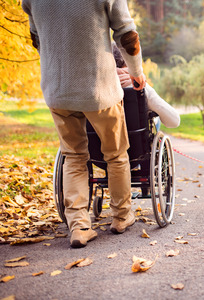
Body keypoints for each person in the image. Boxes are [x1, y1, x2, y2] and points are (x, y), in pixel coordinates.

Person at [22, 0, 146, 248]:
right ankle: (121, 216)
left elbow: (36, 37)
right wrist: (136, 71)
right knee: (116, 154)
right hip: (99, 89)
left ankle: (79, 226)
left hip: (58, 90)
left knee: (74, 156)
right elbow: (127, 34)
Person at [112, 44, 180, 128]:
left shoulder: (98, 89)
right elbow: (174, 121)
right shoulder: (138, 85)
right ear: (130, 61)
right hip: (136, 139)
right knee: (156, 119)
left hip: (104, 139)